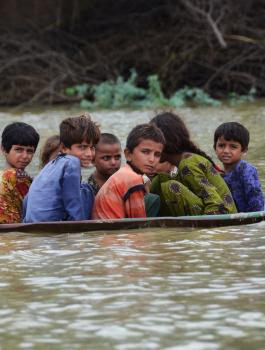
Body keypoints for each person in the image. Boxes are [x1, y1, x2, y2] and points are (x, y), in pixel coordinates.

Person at [150, 112, 237, 216]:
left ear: (166, 142)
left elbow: (216, 206)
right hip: (208, 212)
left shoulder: (188, 163)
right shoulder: (179, 165)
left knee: (170, 187)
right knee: (160, 180)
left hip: (222, 215)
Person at [23, 114, 100, 223]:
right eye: (82, 147)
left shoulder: (48, 167)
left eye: (92, 148)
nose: (89, 154)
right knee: (86, 190)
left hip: (32, 223)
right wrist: (81, 231)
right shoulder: (72, 162)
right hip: (53, 225)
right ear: (64, 148)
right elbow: (73, 203)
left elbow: (27, 200)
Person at [92, 123, 165, 219]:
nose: (152, 159)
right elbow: (139, 224)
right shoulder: (132, 179)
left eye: (157, 154)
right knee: (154, 200)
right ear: (128, 154)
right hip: (111, 232)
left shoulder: (124, 172)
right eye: (145, 152)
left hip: (105, 229)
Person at [214, 122, 264, 212]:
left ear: (244, 150)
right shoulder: (217, 173)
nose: (226, 151)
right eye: (221, 146)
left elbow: (257, 202)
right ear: (215, 148)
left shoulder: (246, 170)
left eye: (233, 147)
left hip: (249, 219)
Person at [0, 122, 40, 223]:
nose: (25, 156)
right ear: (4, 149)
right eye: (19, 150)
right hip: (13, 233)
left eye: (29, 151)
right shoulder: (14, 176)